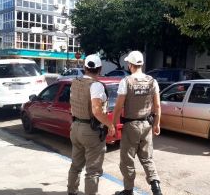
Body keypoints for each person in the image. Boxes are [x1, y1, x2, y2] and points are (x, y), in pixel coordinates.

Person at [113, 51, 163, 195]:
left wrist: (112, 124)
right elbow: (158, 106)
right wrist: (157, 124)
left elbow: (118, 107)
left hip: (131, 126)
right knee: (147, 158)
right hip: (147, 125)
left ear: (130, 65)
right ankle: (156, 189)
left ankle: (128, 191)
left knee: (127, 160)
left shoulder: (126, 81)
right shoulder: (153, 81)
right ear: (141, 64)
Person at [67, 54, 115, 195]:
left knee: (76, 165)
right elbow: (96, 111)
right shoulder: (96, 86)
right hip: (90, 130)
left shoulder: (74, 82)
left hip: (75, 127)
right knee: (92, 171)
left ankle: (72, 191)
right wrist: (110, 125)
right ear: (99, 69)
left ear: (84, 68)